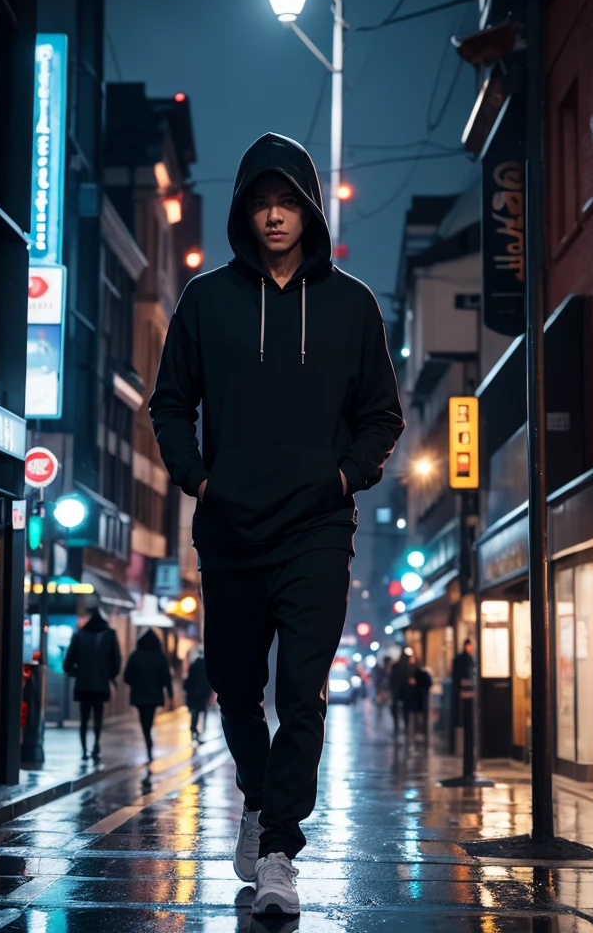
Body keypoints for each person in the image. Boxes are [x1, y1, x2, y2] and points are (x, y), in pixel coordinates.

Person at [150, 132, 404, 916]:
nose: (273, 216)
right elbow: (168, 404)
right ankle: (262, 806)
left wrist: (342, 474)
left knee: (301, 691)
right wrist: (200, 479)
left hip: (317, 530)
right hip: (229, 530)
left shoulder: (352, 305)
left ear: (310, 210)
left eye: (287, 201)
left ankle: (280, 853)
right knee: (234, 688)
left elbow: (381, 417)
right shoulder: (206, 300)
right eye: (261, 203)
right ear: (244, 213)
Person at [63, 606, 121, 762]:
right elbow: (116, 663)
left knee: (83, 718)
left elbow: (68, 663)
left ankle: (84, 750)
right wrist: (109, 675)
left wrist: (78, 672)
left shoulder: (79, 635)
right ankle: (96, 746)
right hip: (101, 685)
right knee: (98, 717)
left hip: (83, 684)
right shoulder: (110, 635)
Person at [124, 629, 173, 762]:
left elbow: (127, 676)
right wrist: (169, 693)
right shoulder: (160, 657)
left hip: (139, 693)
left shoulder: (135, 655)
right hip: (154, 693)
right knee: (150, 717)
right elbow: (166, 677)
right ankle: (148, 739)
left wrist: (136, 682)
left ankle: (147, 738)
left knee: (142, 718)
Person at [451, 638, 475, 752]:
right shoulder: (467, 659)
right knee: (465, 717)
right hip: (465, 693)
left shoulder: (460, 658)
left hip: (460, 692)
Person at [184, 648, 213, 743]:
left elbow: (188, 681)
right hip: (202, 694)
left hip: (194, 694)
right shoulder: (206, 667)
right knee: (203, 711)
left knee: (195, 713)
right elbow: (209, 682)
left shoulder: (193, 665)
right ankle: (200, 730)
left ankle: (194, 729)